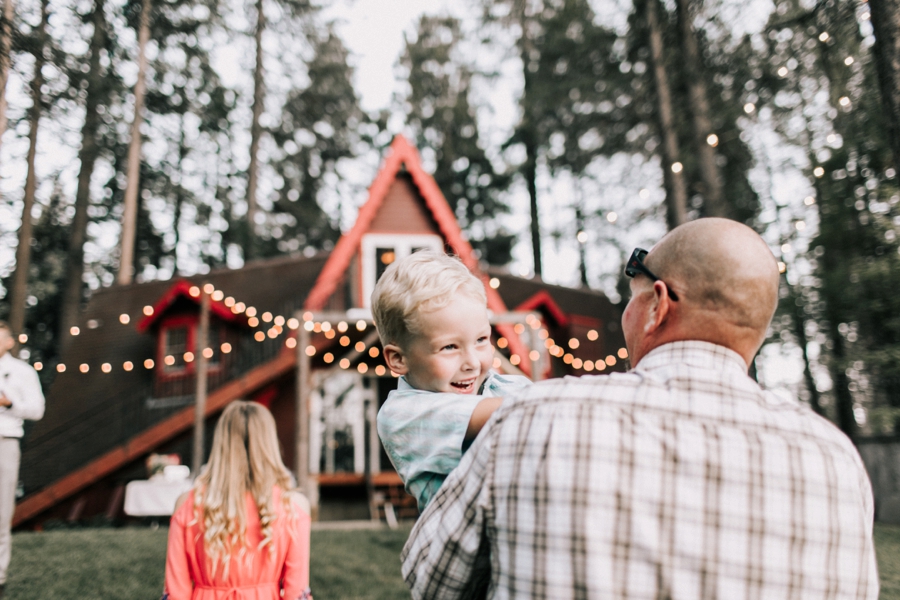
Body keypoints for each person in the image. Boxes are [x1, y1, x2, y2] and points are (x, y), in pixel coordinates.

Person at [401, 218, 879, 599]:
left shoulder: (530, 420)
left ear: (658, 305)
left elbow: (431, 581)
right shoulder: (837, 460)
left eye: (631, 297)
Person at [372, 250, 531, 510]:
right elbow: (518, 410)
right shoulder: (402, 414)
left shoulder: (507, 387)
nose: (472, 362)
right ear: (399, 359)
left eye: (481, 340)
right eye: (449, 347)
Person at [163, 401, 312, 600]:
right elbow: (296, 593)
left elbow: (175, 592)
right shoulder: (294, 506)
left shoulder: (187, 504)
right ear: (269, 443)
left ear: (221, 443)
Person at [0, 321, 44, 600]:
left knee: (1, 511)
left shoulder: (23, 371)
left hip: (6, 441)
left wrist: (9, 404)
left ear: (9, 342)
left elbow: (37, 409)